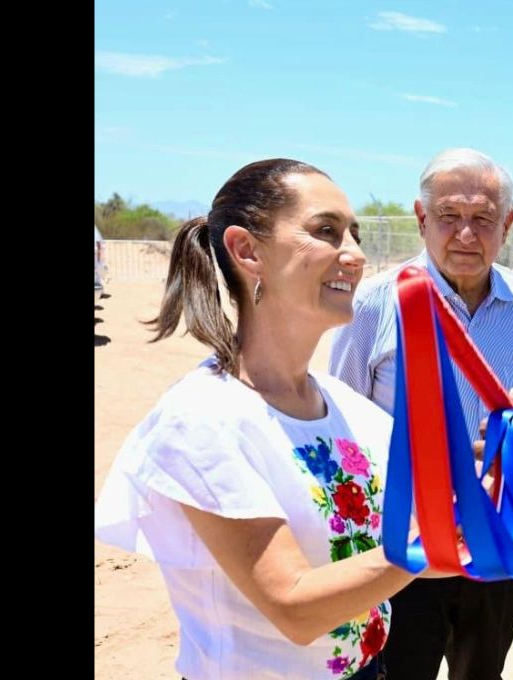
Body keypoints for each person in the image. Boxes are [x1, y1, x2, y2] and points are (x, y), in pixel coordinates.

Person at [94, 158, 422, 679]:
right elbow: (293, 606)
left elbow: (410, 513)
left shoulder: (346, 406)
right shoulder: (203, 420)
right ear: (247, 251)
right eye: (326, 231)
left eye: (354, 234)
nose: (355, 255)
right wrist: (436, 543)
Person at [330, 147, 513, 680]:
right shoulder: (375, 306)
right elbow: (343, 427)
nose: (466, 235)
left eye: (483, 219)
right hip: (402, 557)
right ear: (421, 217)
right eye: (450, 217)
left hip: (500, 551)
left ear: (508, 223)